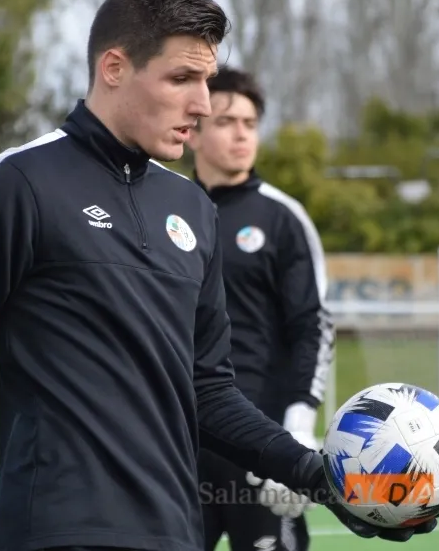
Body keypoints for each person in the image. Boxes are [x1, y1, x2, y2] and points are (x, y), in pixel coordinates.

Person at [0, 0, 438, 551]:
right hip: (58, 532)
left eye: (206, 79)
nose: (202, 103)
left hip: (177, 534)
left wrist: (322, 479)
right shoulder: (18, 183)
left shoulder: (192, 209)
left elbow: (211, 393)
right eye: (182, 78)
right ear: (114, 67)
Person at [187, 68, 333, 551]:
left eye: (250, 123)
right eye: (227, 121)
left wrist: (298, 429)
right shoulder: (168, 213)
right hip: (180, 447)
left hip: (262, 447)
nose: (242, 133)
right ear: (194, 130)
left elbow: (313, 328)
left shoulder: (283, 218)